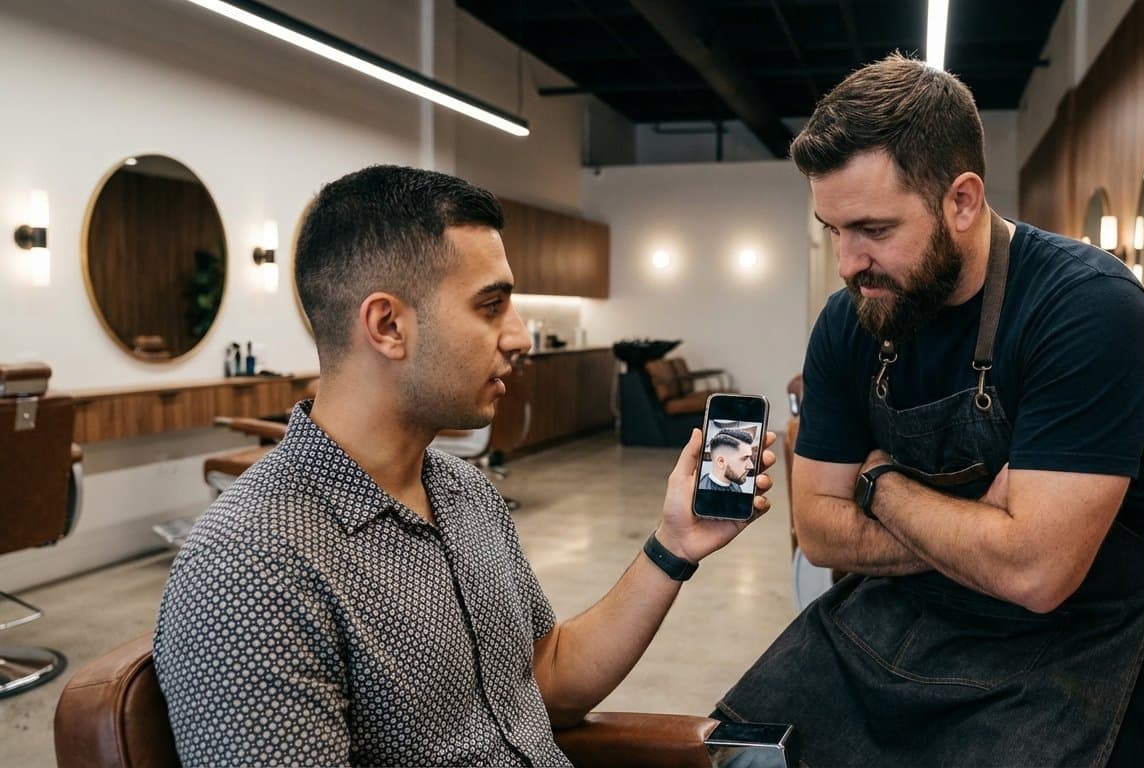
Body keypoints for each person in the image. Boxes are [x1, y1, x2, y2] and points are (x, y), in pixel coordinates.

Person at [153, 166, 776, 767]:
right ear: (388, 326)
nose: (521, 336)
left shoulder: (464, 492)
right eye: (490, 306)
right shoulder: (249, 567)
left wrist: (675, 546)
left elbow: (546, 679)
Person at [714, 54, 1144, 767]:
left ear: (961, 200)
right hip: (896, 619)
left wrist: (879, 485)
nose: (847, 262)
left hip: (1068, 649)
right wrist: (985, 531)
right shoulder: (852, 320)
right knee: (739, 752)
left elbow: (1036, 577)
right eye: (833, 230)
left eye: (872, 228)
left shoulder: (1087, 309)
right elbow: (820, 533)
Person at [698, 428, 756, 493]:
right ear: (721, 462)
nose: (751, 466)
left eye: (749, 458)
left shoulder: (735, 486)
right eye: (744, 458)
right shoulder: (703, 490)